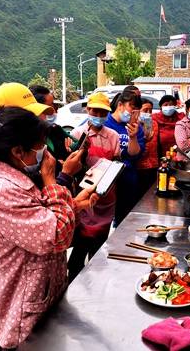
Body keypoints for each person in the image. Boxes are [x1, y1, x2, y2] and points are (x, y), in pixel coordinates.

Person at [0, 107, 97, 349]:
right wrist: (52, 179)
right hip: (24, 313)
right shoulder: (2, 191)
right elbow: (56, 236)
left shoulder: (16, 175)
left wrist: (75, 205)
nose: (44, 152)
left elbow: (40, 217)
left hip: (42, 297)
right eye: (40, 146)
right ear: (17, 151)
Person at [0, 82, 82, 190]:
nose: (43, 119)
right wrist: (64, 175)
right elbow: (46, 205)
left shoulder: (22, 162)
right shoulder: (4, 186)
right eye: (32, 117)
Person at [68, 93, 120, 281]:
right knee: (81, 241)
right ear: (87, 110)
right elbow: (70, 167)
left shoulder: (113, 136)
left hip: (106, 196)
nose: (97, 115)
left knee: (99, 243)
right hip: (83, 196)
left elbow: (116, 162)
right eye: (94, 111)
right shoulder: (76, 135)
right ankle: (74, 280)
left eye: (102, 112)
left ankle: (97, 280)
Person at [105, 87, 145, 225]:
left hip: (127, 178)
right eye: (131, 108)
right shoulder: (105, 122)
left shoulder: (136, 128)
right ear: (120, 104)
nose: (133, 113)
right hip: (106, 179)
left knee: (124, 221)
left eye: (136, 110)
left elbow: (135, 155)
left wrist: (132, 137)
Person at [136, 97, 160, 199]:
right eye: (145, 110)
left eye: (150, 110)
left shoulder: (153, 123)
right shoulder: (133, 125)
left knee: (151, 195)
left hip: (153, 164)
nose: (148, 113)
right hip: (139, 166)